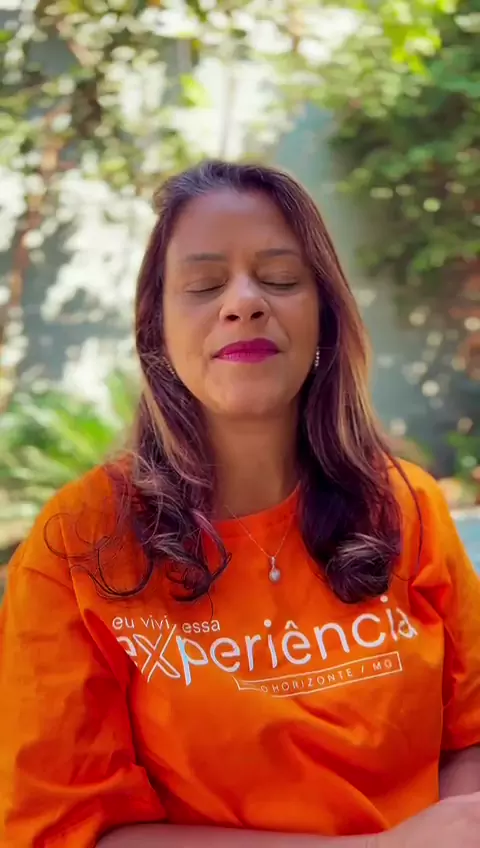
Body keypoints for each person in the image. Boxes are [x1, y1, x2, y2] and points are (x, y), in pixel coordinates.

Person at [0, 160, 479, 848]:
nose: (244, 303)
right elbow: (66, 831)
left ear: (325, 317)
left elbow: (471, 736)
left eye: (280, 279)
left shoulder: (407, 506)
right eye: (203, 285)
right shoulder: (79, 542)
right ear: (156, 329)